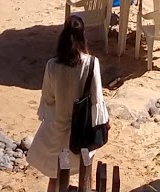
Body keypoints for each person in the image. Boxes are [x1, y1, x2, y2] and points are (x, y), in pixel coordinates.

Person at [30, 16, 107, 191]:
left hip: (57, 127)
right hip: (82, 130)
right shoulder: (91, 63)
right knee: (86, 176)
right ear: (83, 36)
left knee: (55, 178)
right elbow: (97, 99)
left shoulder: (52, 65)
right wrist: (104, 122)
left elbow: (48, 99)